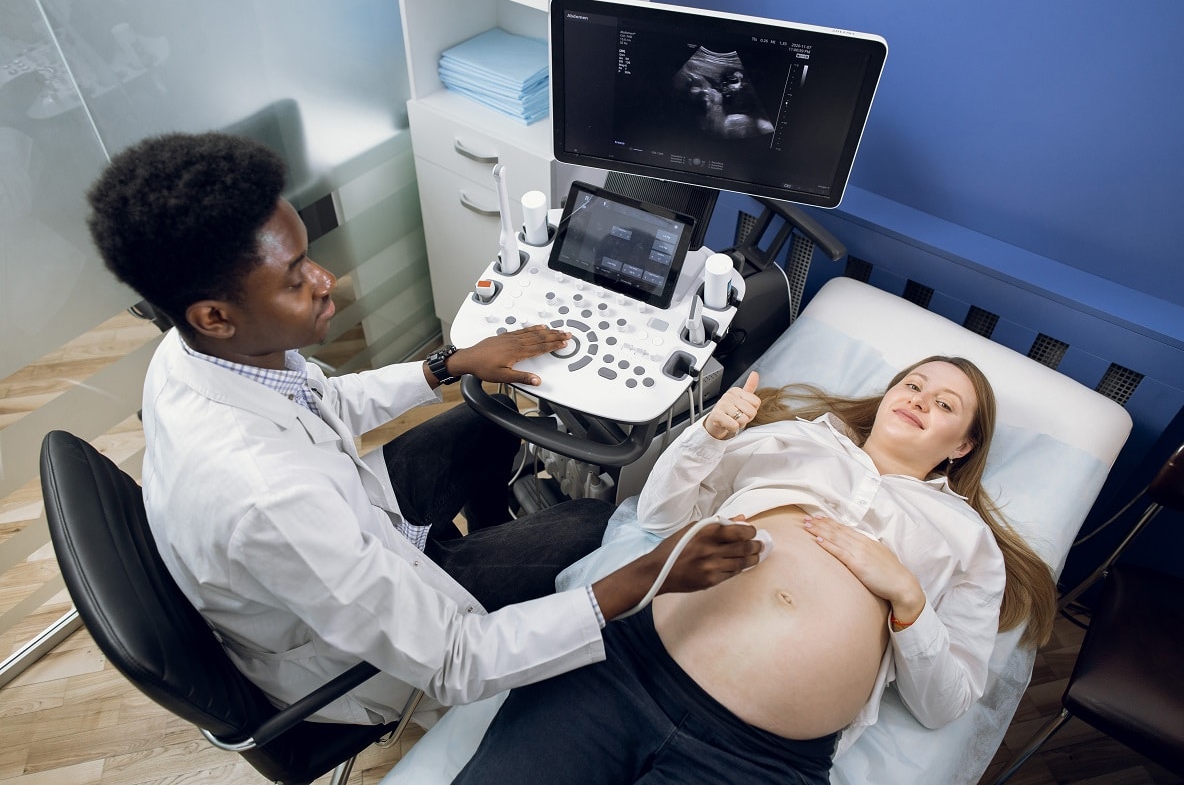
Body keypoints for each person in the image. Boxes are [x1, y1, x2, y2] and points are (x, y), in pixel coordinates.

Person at [84, 131, 762, 729]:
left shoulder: (192, 352)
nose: (326, 281)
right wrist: (644, 576)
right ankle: (506, 566)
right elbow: (457, 662)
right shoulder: (269, 502)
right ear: (214, 314)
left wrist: (447, 364)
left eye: (308, 257)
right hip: (355, 661)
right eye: (295, 281)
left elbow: (321, 402)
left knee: (485, 415)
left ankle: (496, 536)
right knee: (590, 524)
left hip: (349, 529)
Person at [453, 358, 1058, 784]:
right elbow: (662, 516)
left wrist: (906, 594)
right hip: (626, 669)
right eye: (912, 384)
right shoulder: (797, 440)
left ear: (961, 446)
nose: (919, 400)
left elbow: (944, 703)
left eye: (945, 404)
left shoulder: (970, 543)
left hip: (759, 760)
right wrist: (708, 436)